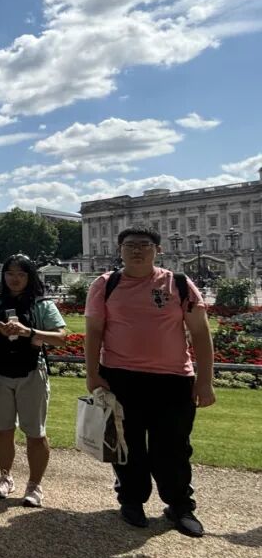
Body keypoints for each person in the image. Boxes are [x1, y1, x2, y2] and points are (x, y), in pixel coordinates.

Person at [85, 227, 214, 537]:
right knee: (126, 445)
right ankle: (131, 500)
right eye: (130, 245)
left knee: (173, 447)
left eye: (144, 245)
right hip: (121, 376)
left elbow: (200, 333)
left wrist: (205, 380)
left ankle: (179, 505)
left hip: (173, 378)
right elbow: (94, 332)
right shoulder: (105, 284)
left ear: (158, 250)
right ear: (120, 250)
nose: (137, 251)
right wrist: (92, 373)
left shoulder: (179, 284)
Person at [0, 254, 67, 508]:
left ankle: (35, 485)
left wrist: (29, 332)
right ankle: (5, 476)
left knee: (35, 431)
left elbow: (61, 336)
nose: (15, 278)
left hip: (31, 371)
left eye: (21, 274)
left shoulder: (42, 304)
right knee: (3, 429)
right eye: (10, 273)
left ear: (29, 277)